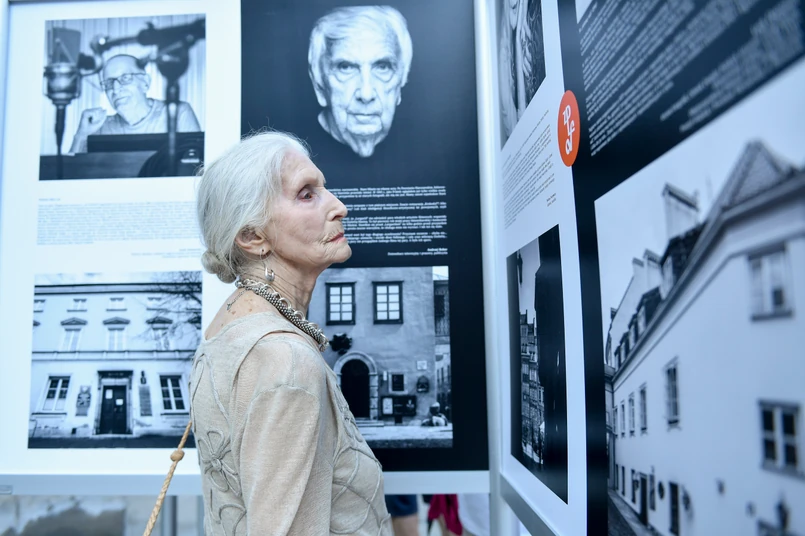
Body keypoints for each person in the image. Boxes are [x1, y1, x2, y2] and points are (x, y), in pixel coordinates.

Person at [190, 131, 392, 534]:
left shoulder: (227, 325)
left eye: (324, 188)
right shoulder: (287, 362)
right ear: (253, 237)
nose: (339, 207)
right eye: (306, 194)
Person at [308, 6, 413, 158]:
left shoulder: (427, 151)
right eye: (346, 67)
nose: (366, 94)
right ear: (319, 84)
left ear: (401, 80)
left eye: (382, 67)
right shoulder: (291, 157)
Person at [69, 54, 201, 153]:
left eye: (125, 78)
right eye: (109, 83)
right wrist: (82, 135)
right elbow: (69, 174)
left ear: (145, 83)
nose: (115, 89)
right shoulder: (99, 126)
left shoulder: (178, 113)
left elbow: (194, 169)